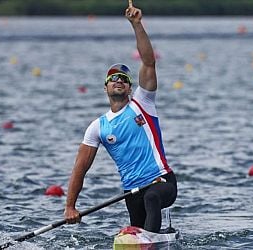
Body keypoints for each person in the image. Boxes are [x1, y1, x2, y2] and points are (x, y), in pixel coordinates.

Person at [64, 4, 177, 234]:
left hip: (161, 182)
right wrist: (70, 206)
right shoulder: (97, 127)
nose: (118, 81)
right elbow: (80, 168)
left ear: (129, 87)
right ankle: (149, 238)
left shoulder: (142, 103)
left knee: (153, 198)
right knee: (136, 227)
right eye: (113, 78)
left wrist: (136, 24)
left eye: (123, 79)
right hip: (131, 193)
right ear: (105, 88)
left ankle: (149, 241)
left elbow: (148, 62)